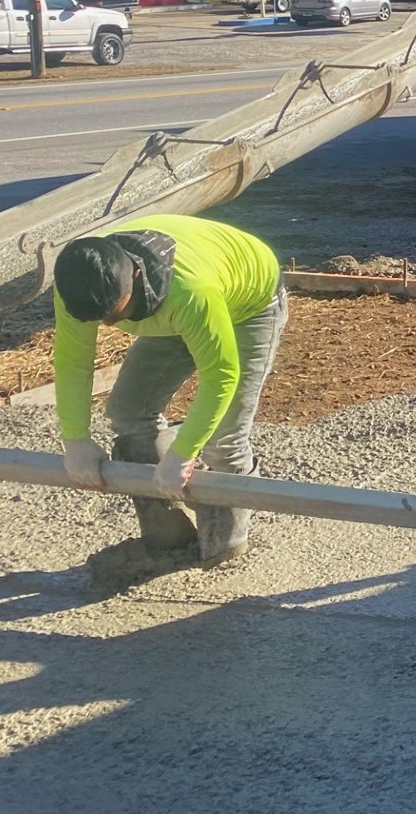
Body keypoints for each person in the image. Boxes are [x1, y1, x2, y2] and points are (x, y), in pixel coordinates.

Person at [51, 214, 287, 566]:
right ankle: (168, 534)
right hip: (175, 310)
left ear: (133, 276)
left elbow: (221, 374)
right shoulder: (77, 282)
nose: (109, 325)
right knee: (128, 411)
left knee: (225, 438)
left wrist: (184, 453)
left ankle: (223, 549)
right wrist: (75, 439)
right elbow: (73, 363)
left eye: (116, 315)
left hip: (249, 305)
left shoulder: (190, 292)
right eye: (100, 320)